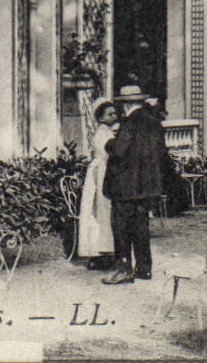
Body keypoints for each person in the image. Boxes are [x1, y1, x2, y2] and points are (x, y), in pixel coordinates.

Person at [102, 84, 167, 285]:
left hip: (125, 186)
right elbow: (162, 154)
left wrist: (109, 142)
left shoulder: (129, 123)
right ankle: (144, 269)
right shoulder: (154, 122)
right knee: (141, 227)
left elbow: (119, 151)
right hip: (146, 186)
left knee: (122, 228)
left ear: (126, 104)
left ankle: (123, 268)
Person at [78, 99, 119, 269]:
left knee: (104, 213)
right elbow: (107, 155)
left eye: (114, 113)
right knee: (101, 213)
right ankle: (100, 251)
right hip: (101, 172)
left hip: (103, 171)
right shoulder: (103, 133)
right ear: (101, 118)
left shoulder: (107, 131)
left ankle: (106, 251)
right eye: (110, 114)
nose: (114, 116)